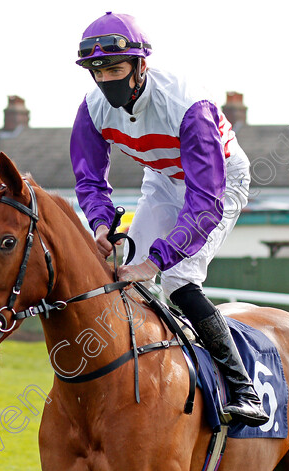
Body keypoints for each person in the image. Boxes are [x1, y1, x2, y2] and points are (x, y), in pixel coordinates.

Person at [70, 12, 267, 426]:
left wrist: (157, 261)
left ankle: (243, 386)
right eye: (97, 71)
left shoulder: (186, 105)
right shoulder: (91, 110)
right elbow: (89, 177)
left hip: (218, 184)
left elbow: (204, 202)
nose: (106, 81)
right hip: (161, 179)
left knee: (176, 280)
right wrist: (102, 225)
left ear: (141, 66)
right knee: (122, 273)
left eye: (115, 69)